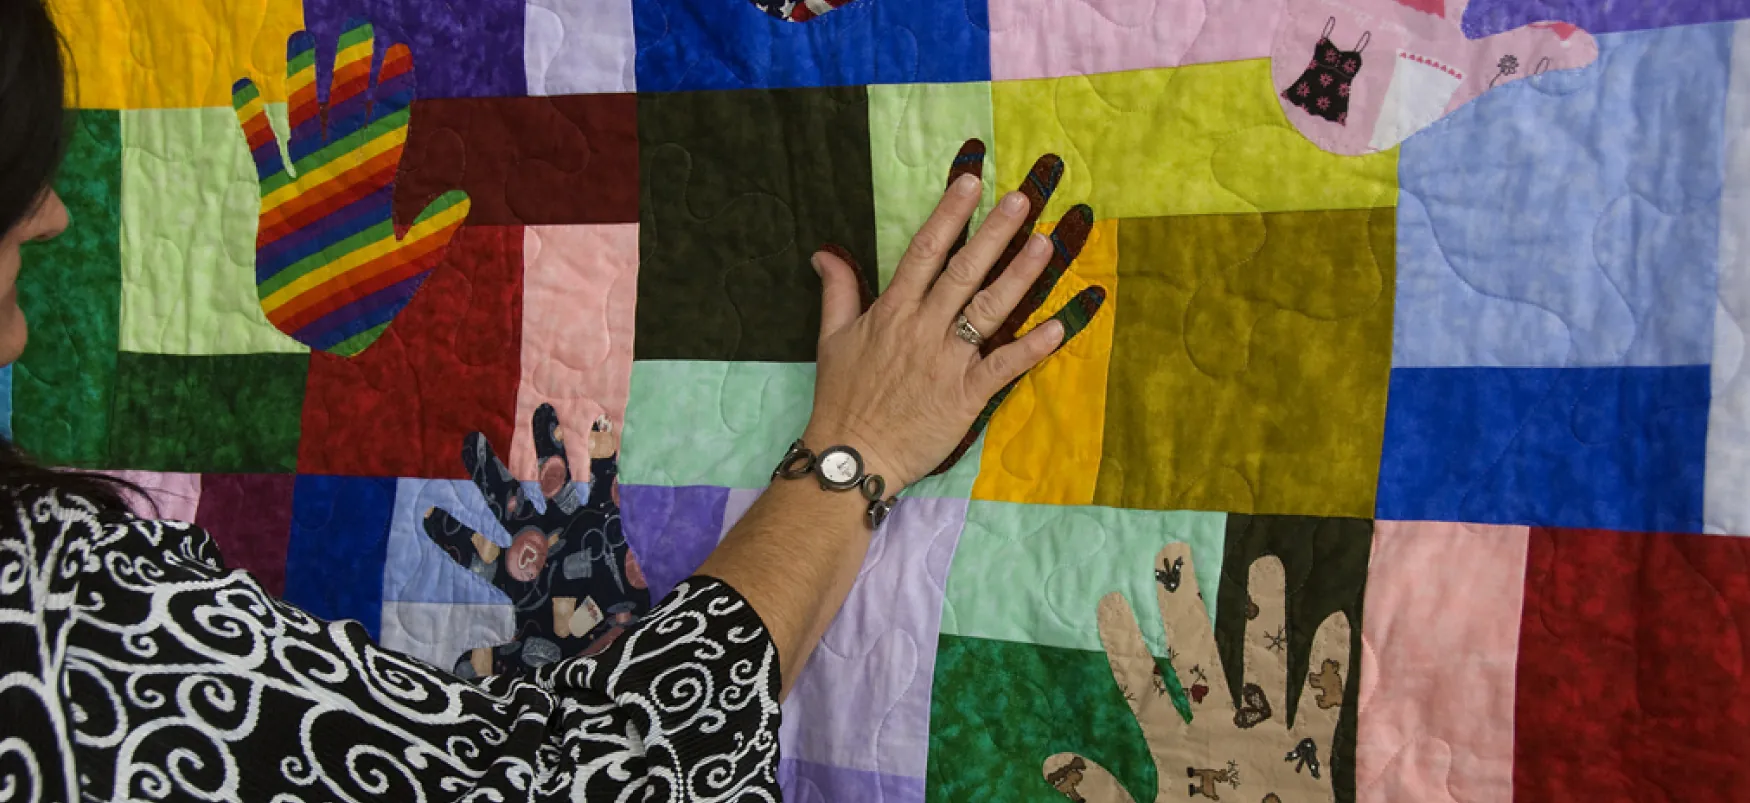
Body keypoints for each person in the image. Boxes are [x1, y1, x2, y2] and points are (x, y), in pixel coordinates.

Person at [0, 1, 1093, 800]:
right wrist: (854, 453)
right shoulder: (49, 616)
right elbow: (585, 780)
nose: (53, 216)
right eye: (13, 184)